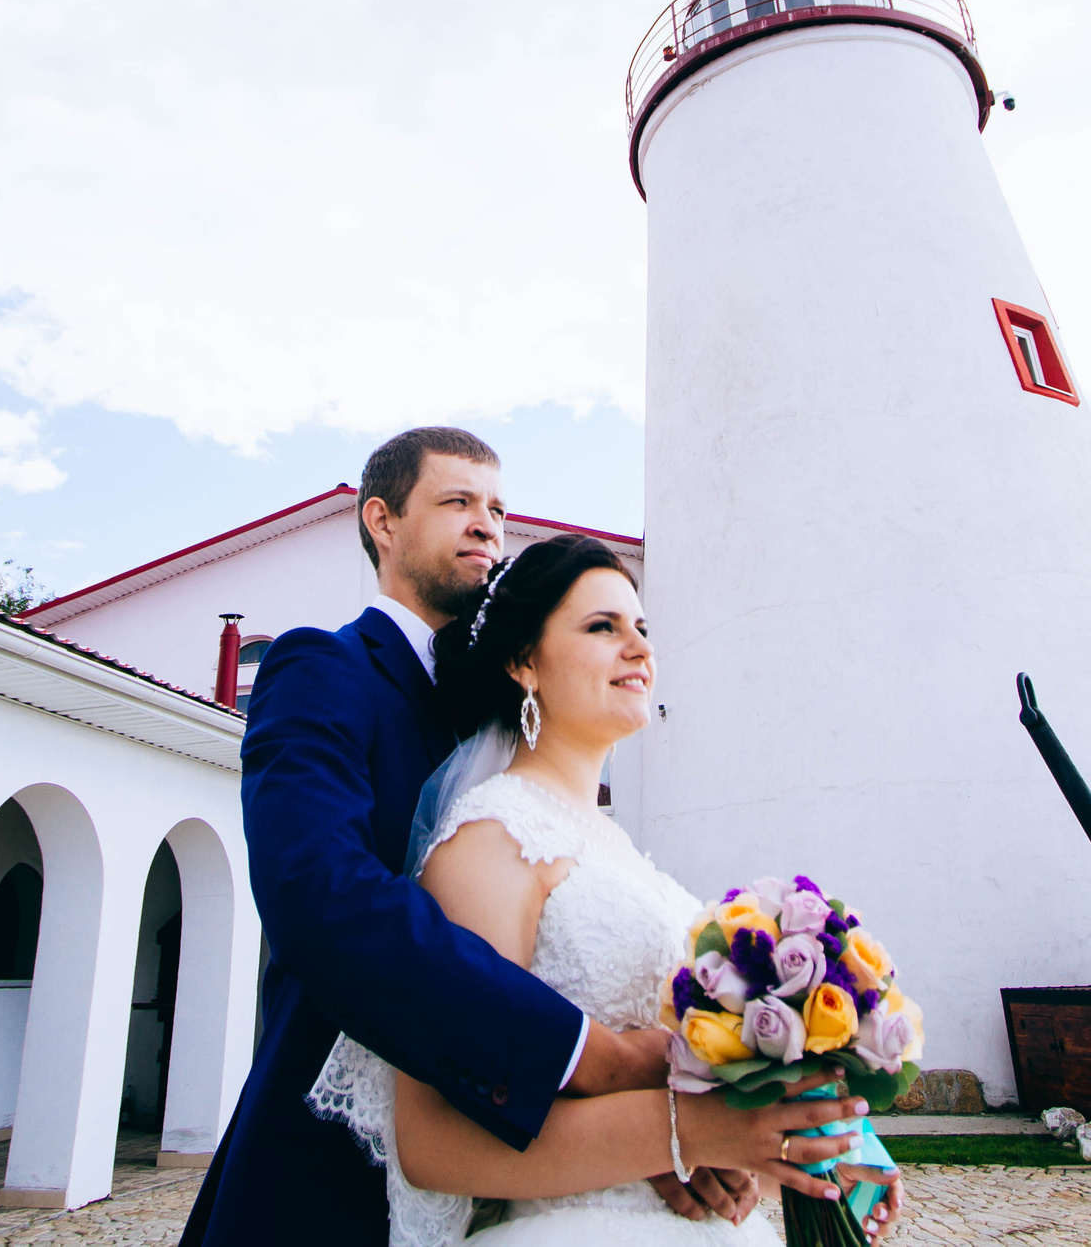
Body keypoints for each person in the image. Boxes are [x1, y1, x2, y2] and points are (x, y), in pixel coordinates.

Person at [180, 431, 835, 1244]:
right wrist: (589, 1057)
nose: (488, 524)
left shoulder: (537, 756)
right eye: (457, 502)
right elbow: (320, 897)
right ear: (380, 521)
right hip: (332, 1161)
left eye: (497, 507)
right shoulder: (326, 669)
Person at [308, 532, 905, 1244]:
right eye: (603, 626)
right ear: (524, 660)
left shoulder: (621, 851)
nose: (640, 648)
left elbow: (698, 1113)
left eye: (644, 629)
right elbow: (435, 1143)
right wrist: (688, 1133)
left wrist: (803, 1147)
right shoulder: (490, 838)